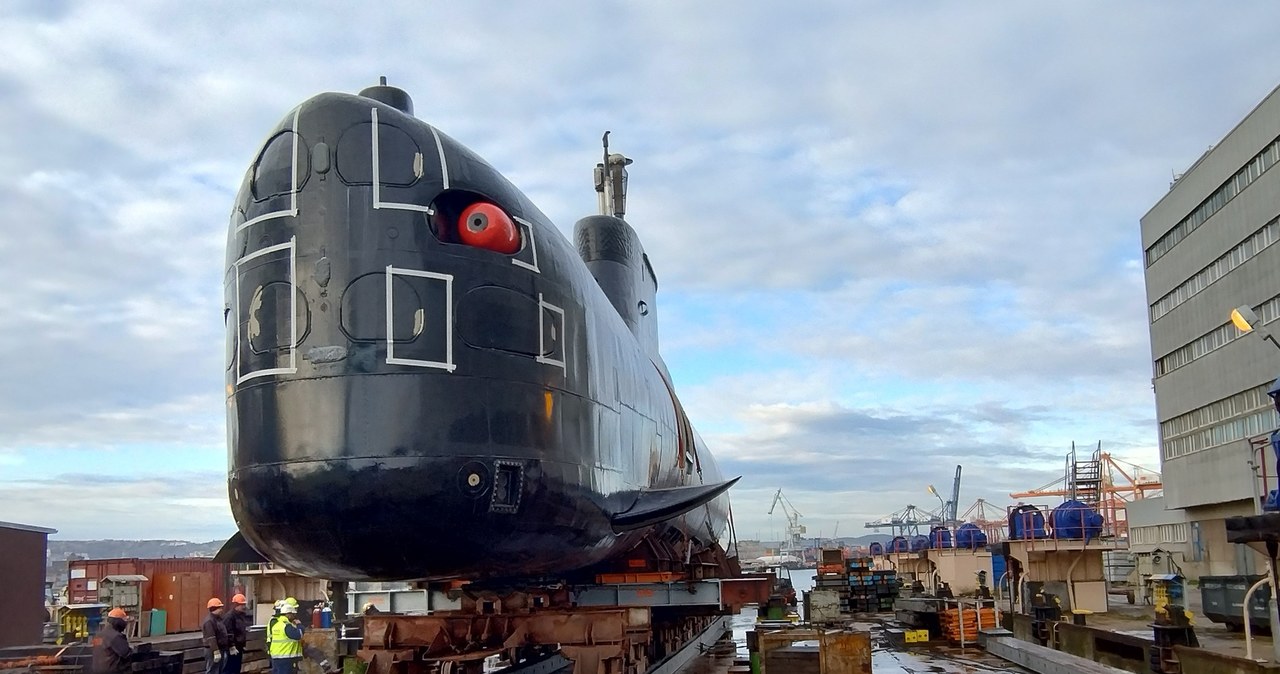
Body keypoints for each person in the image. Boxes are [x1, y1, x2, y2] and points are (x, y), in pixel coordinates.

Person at [92, 608, 133, 674]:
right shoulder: (116, 637)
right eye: (124, 621)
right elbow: (126, 653)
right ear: (119, 622)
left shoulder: (98, 635)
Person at [268, 599, 303, 674]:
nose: (294, 616)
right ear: (288, 614)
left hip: (277, 656)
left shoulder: (277, 624)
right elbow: (298, 635)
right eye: (293, 614)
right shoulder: (286, 625)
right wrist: (300, 625)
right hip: (286, 657)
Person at [222, 594, 252, 674]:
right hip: (232, 648)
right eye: (242, 604)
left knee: (236, 668)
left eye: (244, 604)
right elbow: (228, 633)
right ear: (236, 605)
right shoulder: (229, 617)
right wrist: (231, 646)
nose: (244, 606)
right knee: (229, 668)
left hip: (239, 646)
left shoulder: (241, 615)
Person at [202, 598, 230, 674]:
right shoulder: (209, 621)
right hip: (212, 650)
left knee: (219, 670)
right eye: (220, 608)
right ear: (214, 608)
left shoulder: (218, 619)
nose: (221, 610)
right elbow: (211, 637)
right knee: (212, 670)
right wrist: (215, 651)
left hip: (221, 648)